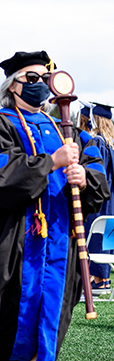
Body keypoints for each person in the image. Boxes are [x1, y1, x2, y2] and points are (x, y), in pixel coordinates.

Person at [0, 51, 110, 361]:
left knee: (50, 331)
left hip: (63, 248)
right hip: (14, 249)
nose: (40, 85)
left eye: (45, 79)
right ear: (12, 86)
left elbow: (100, 183)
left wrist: (84, 177)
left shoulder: (74, 134)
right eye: (31, 79)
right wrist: (51, 162)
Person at [81, 103, 114, 291]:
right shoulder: (111, 142)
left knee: (95, 234)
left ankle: (98, 278)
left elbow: (96, 172)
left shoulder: (99, 142)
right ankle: (104, 278)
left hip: (100, 196)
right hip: (112, 199)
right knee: (107, 235)